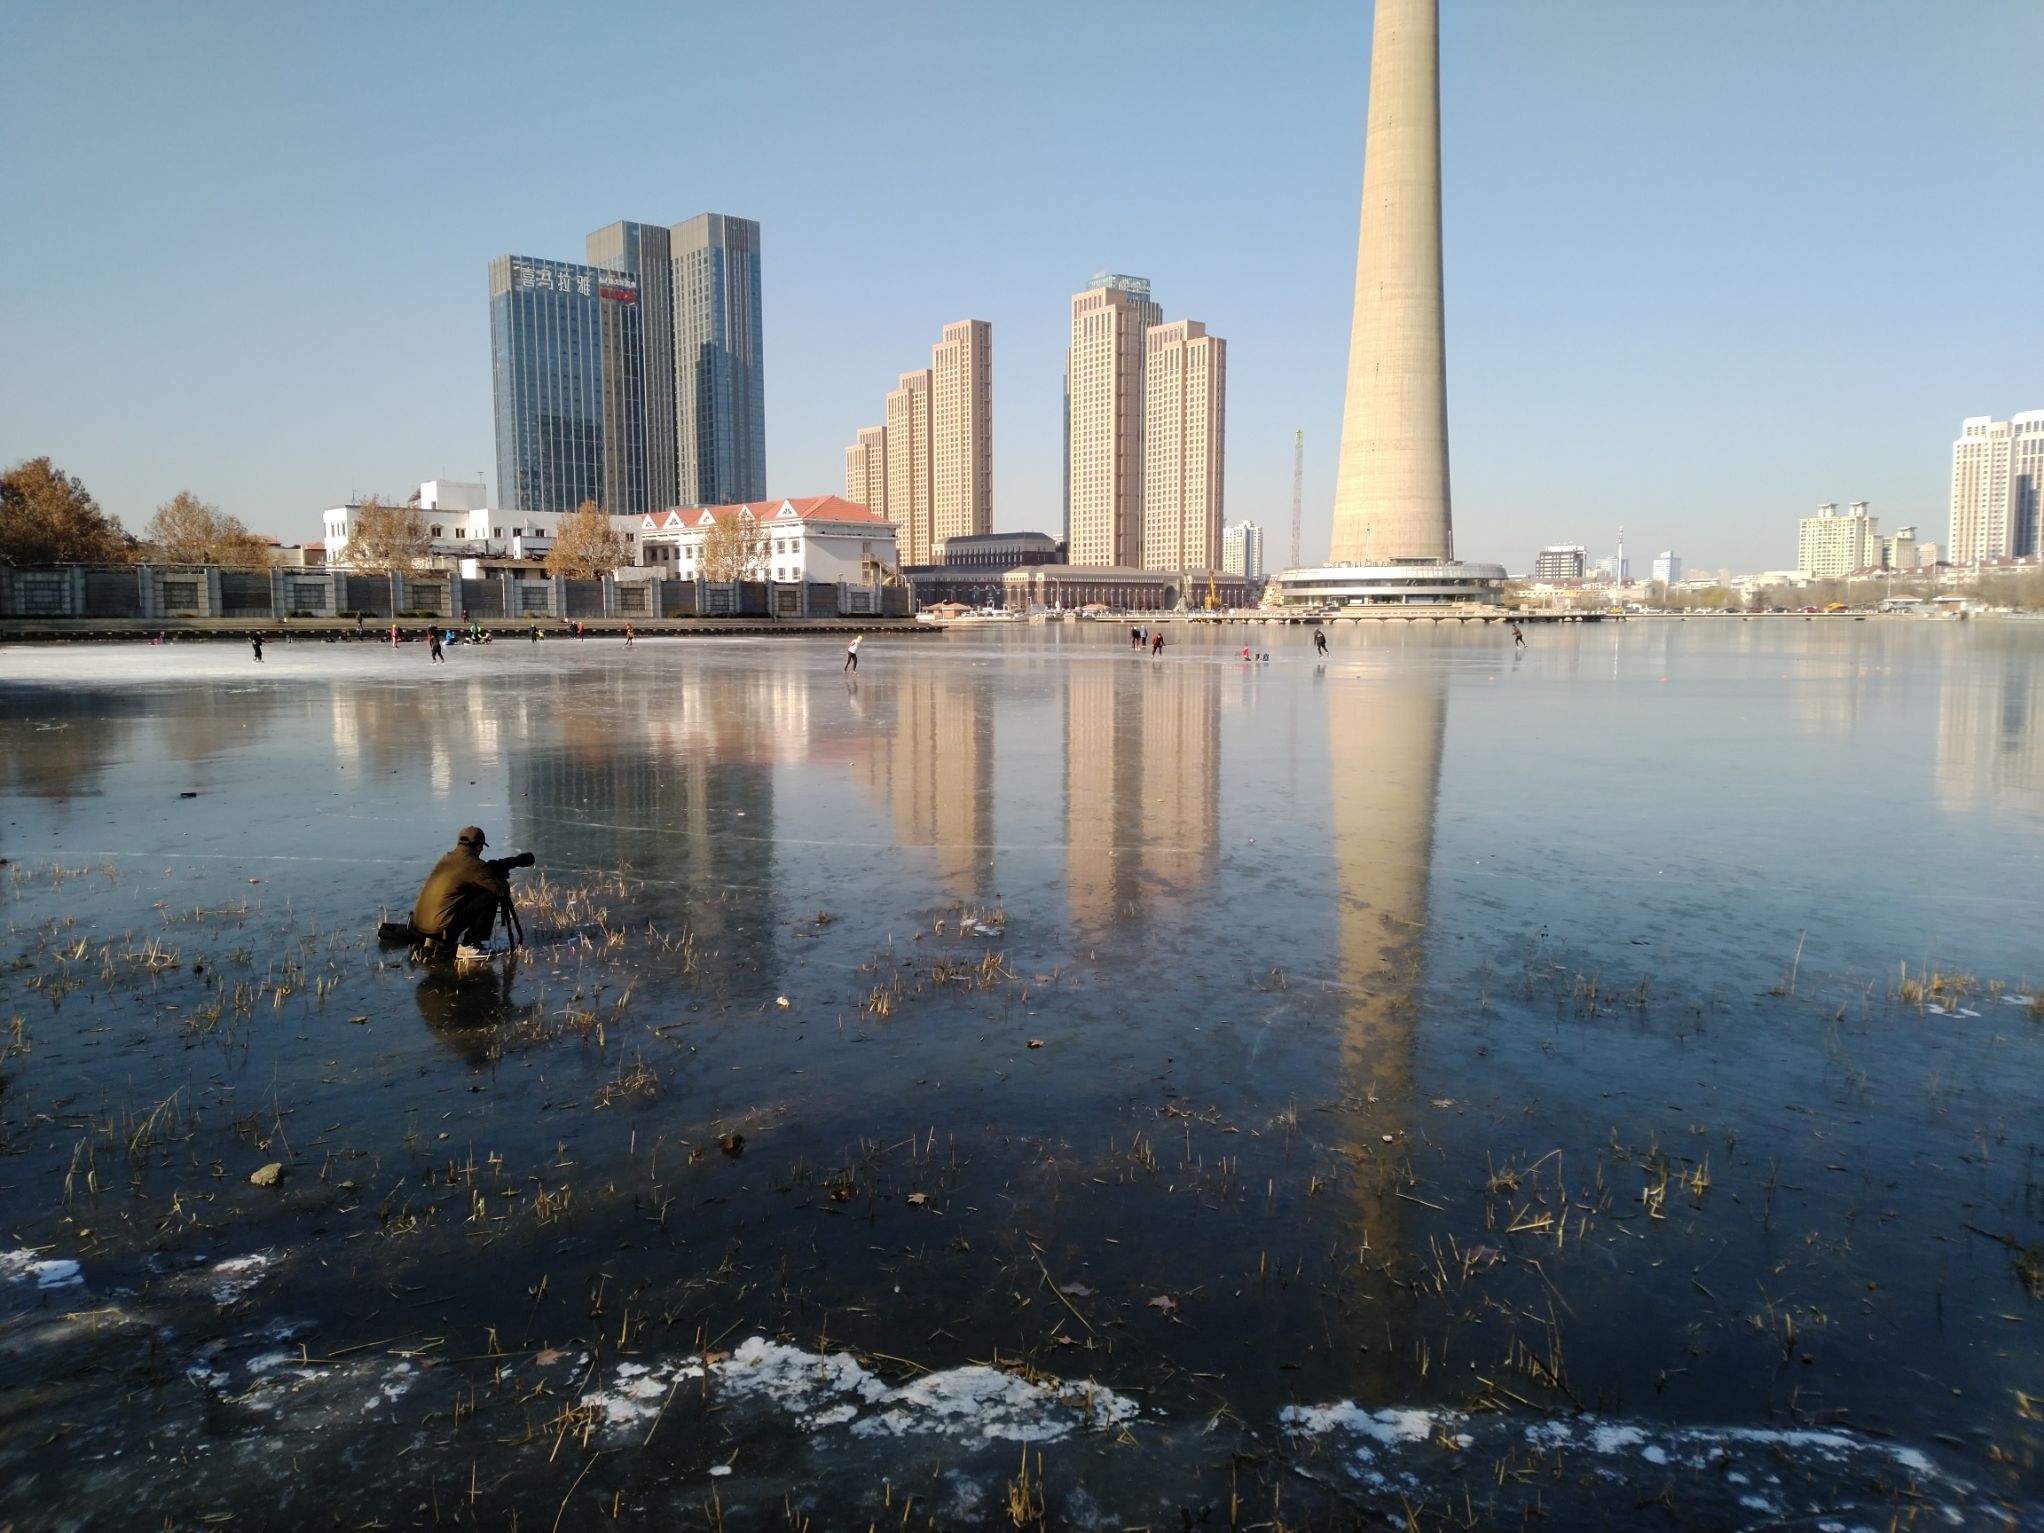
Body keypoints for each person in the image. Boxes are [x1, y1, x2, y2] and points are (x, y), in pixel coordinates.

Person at [403, 827, 527, 958]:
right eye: (481, 847)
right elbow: (500, 891)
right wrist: (500, 877)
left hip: (420, 926)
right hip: (440, 930)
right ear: (478, 847)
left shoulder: (447, 858)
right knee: (490, 896)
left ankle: (434, 939)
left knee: (472, 891)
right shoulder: (474, 865)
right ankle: (471, 944)